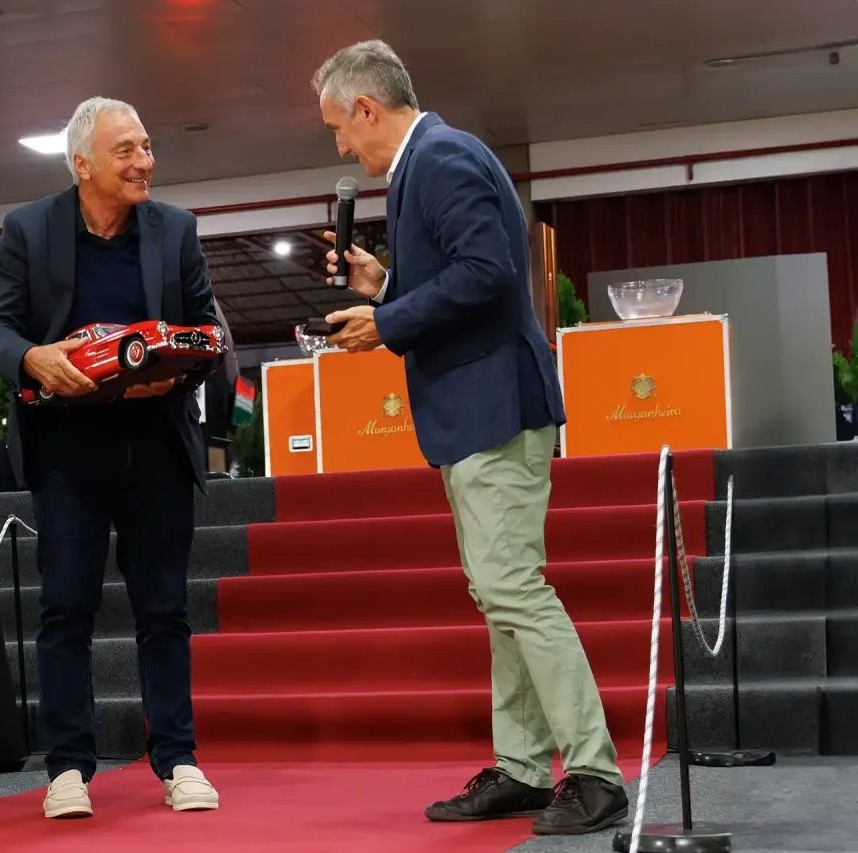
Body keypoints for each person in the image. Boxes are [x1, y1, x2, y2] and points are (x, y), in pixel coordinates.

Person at [309, 41, 629, 836]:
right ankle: (523, 767)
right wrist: (386, 286)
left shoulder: (441, 158)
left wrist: (387, 322)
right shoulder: (433, 160)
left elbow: (488, 272)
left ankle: (594, 772)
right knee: (500, 594)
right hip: (478, 410)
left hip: (493, 407)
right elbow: (469, 273)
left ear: (366, 109)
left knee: (513, 588)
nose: (340, 146)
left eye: (338, 128)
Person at [0, 96, 221, 820]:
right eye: (127, 151)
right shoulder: (28, 229)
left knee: (164, 609)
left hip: (157, 445)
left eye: (146, 147)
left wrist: (180, 367)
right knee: (65, 608)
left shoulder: (176, 229)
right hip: (66, 449)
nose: (145, 161)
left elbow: (208, 329)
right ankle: (67, 769)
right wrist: (34, 358)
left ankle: (177, 758)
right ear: (82, 164)